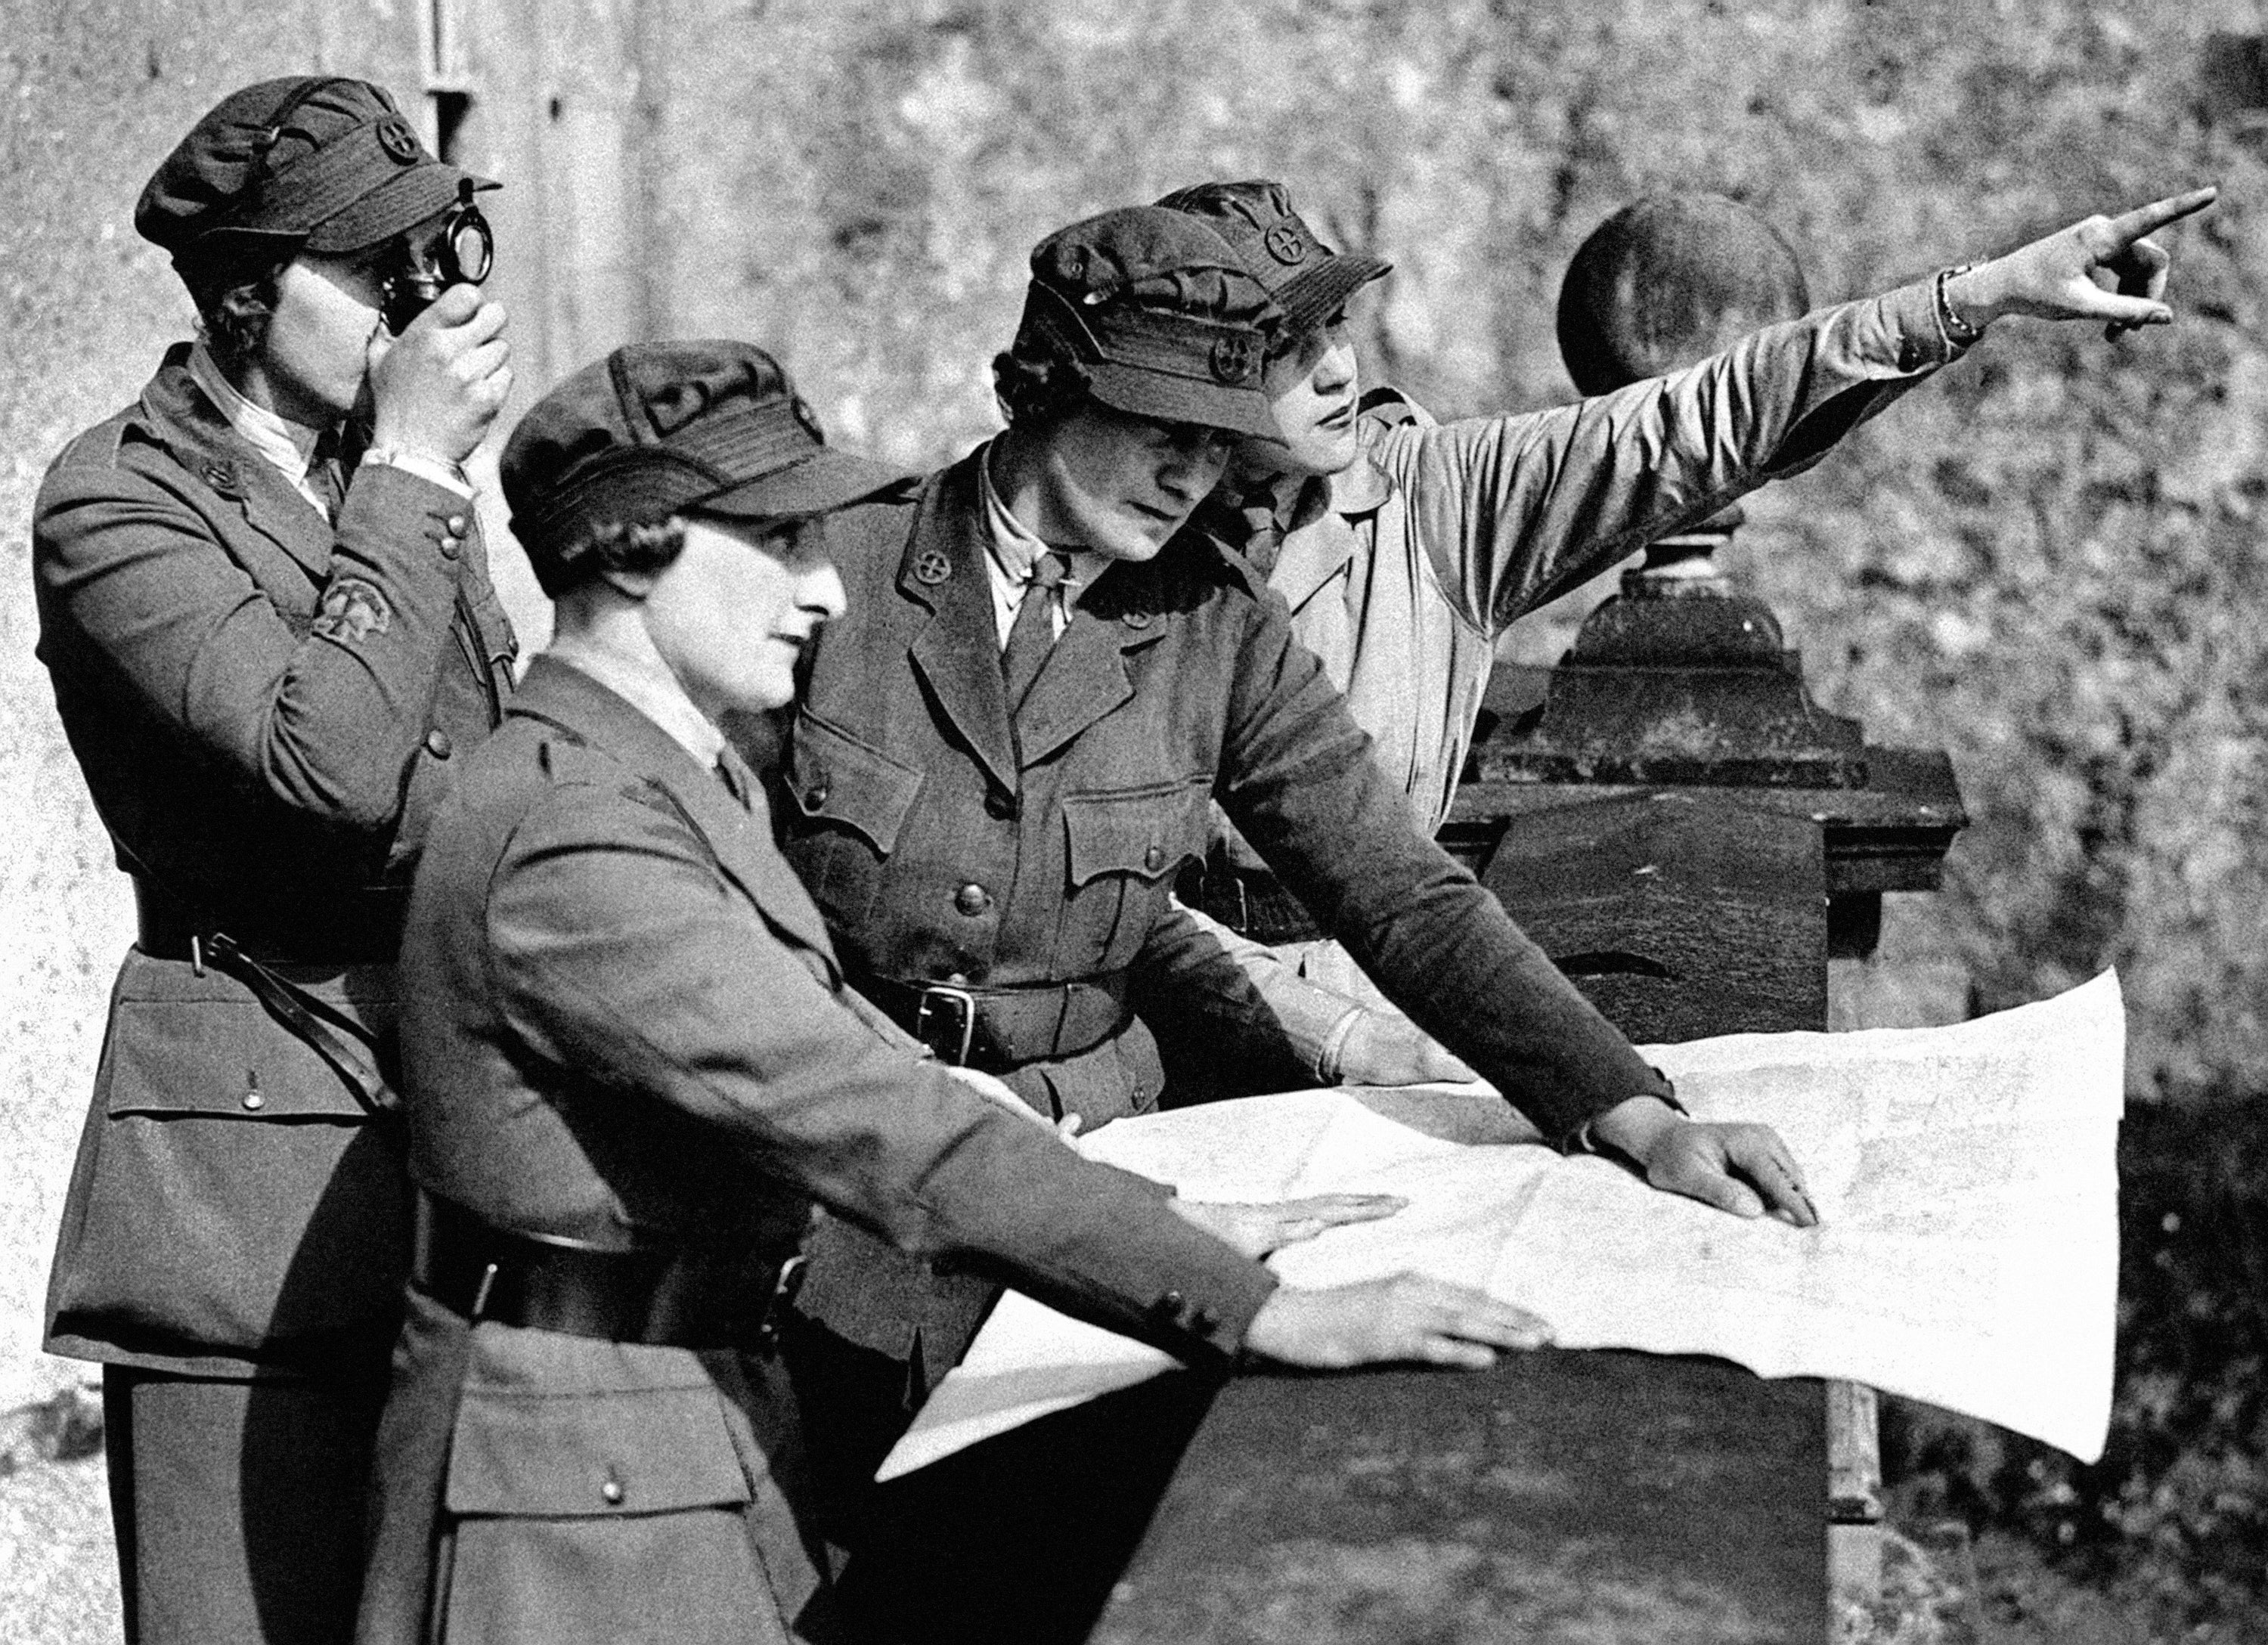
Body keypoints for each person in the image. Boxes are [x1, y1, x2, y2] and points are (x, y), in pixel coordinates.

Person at [353, 339, 1555, 1645]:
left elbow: (846, 1043)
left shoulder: (654, 778)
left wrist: (1163, 1211)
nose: (824, 592)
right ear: (638, 544)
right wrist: (1260, 1312)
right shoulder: (577, 837)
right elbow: (877, 1115)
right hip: (571, 1487)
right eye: (780, 542)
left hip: (658, 1433)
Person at [769, 206, 1822, 1635]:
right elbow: (722, 907)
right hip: (821, 1231)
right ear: (1051, 388)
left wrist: (1632, 1112)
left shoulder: (1209, 622)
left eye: (1218, 441)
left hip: (1102, 1236)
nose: (1191, 474)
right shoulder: (831, 577)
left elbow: (1397, 891)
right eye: (1162, 429)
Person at [1153, 175, 2215, 1033]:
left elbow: (1702, 416)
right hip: (1159, 1023)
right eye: (1286, 348)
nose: (1336, 371)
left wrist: (1978, 295)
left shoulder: (1433, 502)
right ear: (1189, 377)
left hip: (1376, 1017)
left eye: (1336, 327)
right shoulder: (1118, 543)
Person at [30, 76, 516, 1645]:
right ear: (246, 294)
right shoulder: (113, 500)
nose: (422, 309)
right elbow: (331, 766)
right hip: (250, 1162)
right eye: (378, 277)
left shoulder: (383, 479)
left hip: (448, 1105)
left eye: (435, 261)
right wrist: (421, 473)